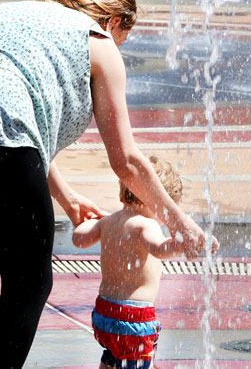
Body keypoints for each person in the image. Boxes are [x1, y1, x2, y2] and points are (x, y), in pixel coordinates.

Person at [0, 0, 219, 368]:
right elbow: (125, 160)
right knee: (30, 282)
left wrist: (68, 197)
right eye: (125, 37)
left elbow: (20, 118)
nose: (120, 46)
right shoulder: (99, 40)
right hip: (1, 143)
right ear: (114, 22)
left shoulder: (18, 12)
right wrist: (178, 222)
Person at [72, 154, 190, 369]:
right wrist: (182, 242)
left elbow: (78, 239)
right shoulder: (146, 225)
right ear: (157, 199)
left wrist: (91, 218)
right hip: (134, 319)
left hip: (104, 316)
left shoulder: (108, 222)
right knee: (135, 359)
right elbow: (160, 249)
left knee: (113, 355)